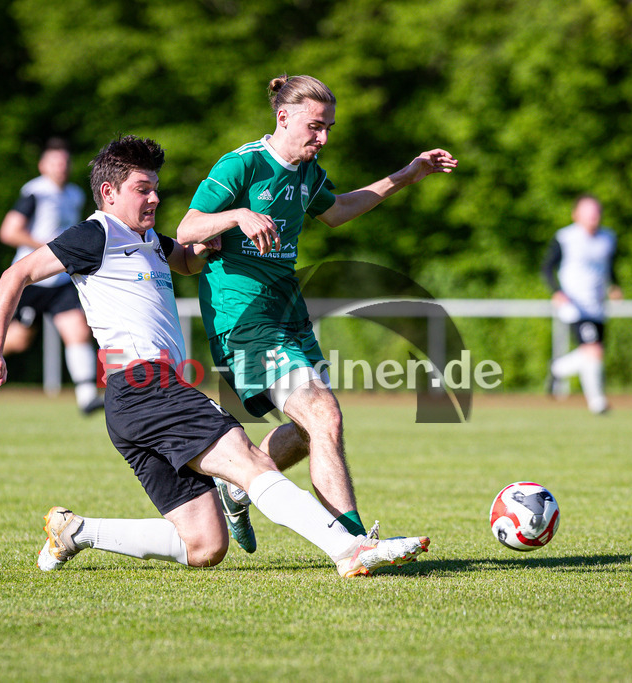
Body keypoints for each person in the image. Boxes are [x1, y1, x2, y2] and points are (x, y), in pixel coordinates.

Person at [0, 134, 430, 577]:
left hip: (129, 401)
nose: (154, 199)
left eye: (156, 188)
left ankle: (77, 531)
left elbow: (188, 260)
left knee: (205, 545)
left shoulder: (148, 238)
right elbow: (16, 275)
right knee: (248, 463)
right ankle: (350, 549)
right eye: (142, 189)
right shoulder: (97, 233)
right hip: (145, 384)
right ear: (109, 193)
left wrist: (221, 233)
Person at [176, 74, 457, 553]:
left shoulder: (308, 171)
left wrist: (407, 175)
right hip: (243, 319)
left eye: (328, 127)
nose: (323, 138)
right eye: (314, 126)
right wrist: (237, 215)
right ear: (283, 117)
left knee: (313, 431)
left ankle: (238, 485)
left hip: (288, 315)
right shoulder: (241, 165)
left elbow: (339, 209)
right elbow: (187, 228)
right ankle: (352, 542)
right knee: (325, 416)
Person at [0, 138, 103, 415]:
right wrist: (50, 250)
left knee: (77, 329)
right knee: (20, 339)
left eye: (64, 162)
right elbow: (8, 231)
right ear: (42, 165)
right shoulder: (35, 192)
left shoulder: (74, 194)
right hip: (33, 278)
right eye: (55, 162)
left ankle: (86, 397)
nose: (61, 167)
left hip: (62, 279)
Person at [541, 194, 623, 414]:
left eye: (596, 211)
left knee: (594, 353)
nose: (593, 216)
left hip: (597, 305)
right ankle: (598, 403)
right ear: (575, 214)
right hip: (575, 304)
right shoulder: (565, 237)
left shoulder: (608, 238)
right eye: (588, 211)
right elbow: (547, 268)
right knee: (592, 350)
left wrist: (615, 285)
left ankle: (558, 368)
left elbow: (610, 266)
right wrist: (556, 291)